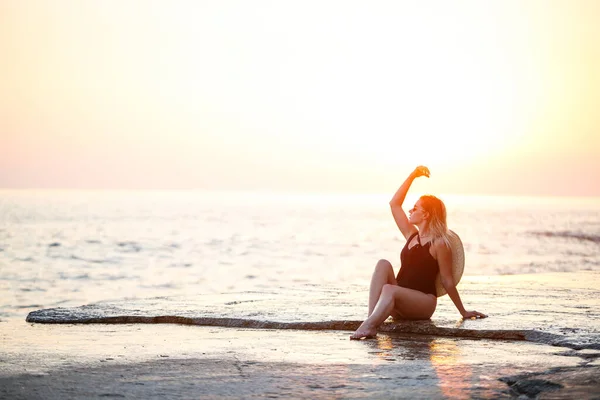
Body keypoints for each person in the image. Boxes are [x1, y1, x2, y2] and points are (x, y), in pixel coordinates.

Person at [350, 166, 486, 340]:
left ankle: (369, 326)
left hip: (423, 304)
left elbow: (447, 280)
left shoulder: (439, 244)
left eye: (415, 208)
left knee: (389, 289)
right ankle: (371, 320)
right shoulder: (411, 234)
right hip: (399, 300)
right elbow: (394, 204)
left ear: (426, 214)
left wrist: (463, 311)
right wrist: (413, 176)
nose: (410, 211)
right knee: (383, 264)